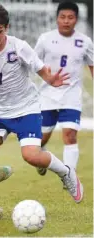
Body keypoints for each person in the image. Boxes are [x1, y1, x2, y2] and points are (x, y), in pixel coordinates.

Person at [0, 2, 83, 203]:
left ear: (7, 28)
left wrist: (51, 80)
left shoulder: (19, 47)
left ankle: (66, 172)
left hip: (25, 109)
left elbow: (41, 70)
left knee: (31, 156)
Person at [34, 1, 93, 177]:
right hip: (47, 95)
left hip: (71, 96)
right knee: (42, 138)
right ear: (57, 19)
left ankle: (69, 176)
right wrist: (46, 77)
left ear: (76, 19)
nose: (66, 21)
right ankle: (40, 156)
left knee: (70, 135)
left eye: (70, 17)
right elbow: (33, 63)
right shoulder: (45, 39)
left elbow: (92, 65)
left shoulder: (85, 41)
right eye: (63, 17)